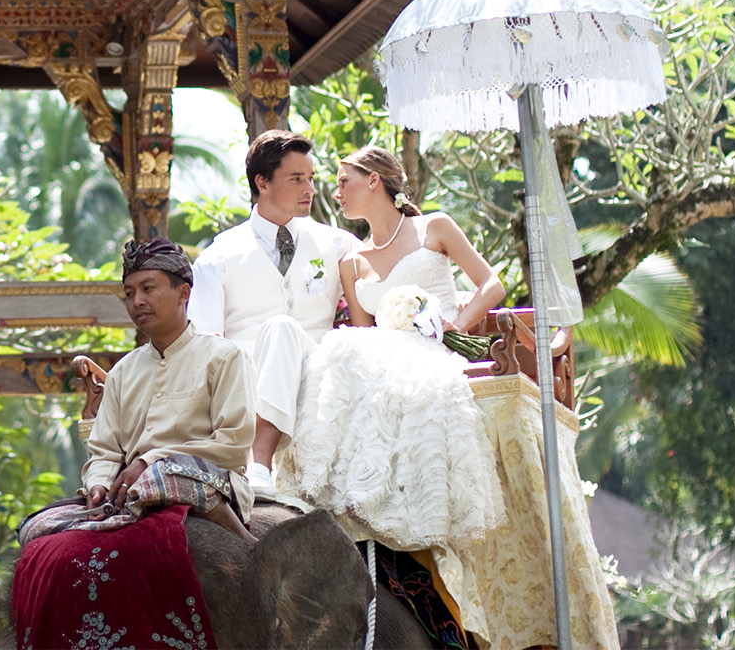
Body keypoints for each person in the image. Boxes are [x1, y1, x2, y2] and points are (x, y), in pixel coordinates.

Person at [282, 145, 507, 551]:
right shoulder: (352, 261)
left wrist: (458, 322)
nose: (336, 194)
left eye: (343, 183)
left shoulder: (434, 228)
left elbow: (492, 285)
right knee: (342, 351)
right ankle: (348, 494)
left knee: (391, 373)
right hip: (380, 354)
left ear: (373, 180)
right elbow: (363, 329)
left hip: (431, 348)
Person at [187, 130, 357, 500]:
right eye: (296, 179)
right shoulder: (218, 256)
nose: (309, 189)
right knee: (277, 329)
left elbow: (384, 275)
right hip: (246, 374)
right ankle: (257, 464)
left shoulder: (335, 242)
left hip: (318, 368)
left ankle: (259, 464)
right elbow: (203, 341)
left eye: (311, 179)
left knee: (284, 328)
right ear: (262, 182)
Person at [78, 238, 258, 544]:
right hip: (132, 493)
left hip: (208, 487)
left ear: (183, 293)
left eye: (148, 289)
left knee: (162, 479)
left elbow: (233, 446)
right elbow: (106, 452)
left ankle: (249, 549)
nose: (137, 302)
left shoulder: (224, 357)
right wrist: (99, 484)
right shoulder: (123, 371)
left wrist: (151, 461)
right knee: (39, 528)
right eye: (130, 294)